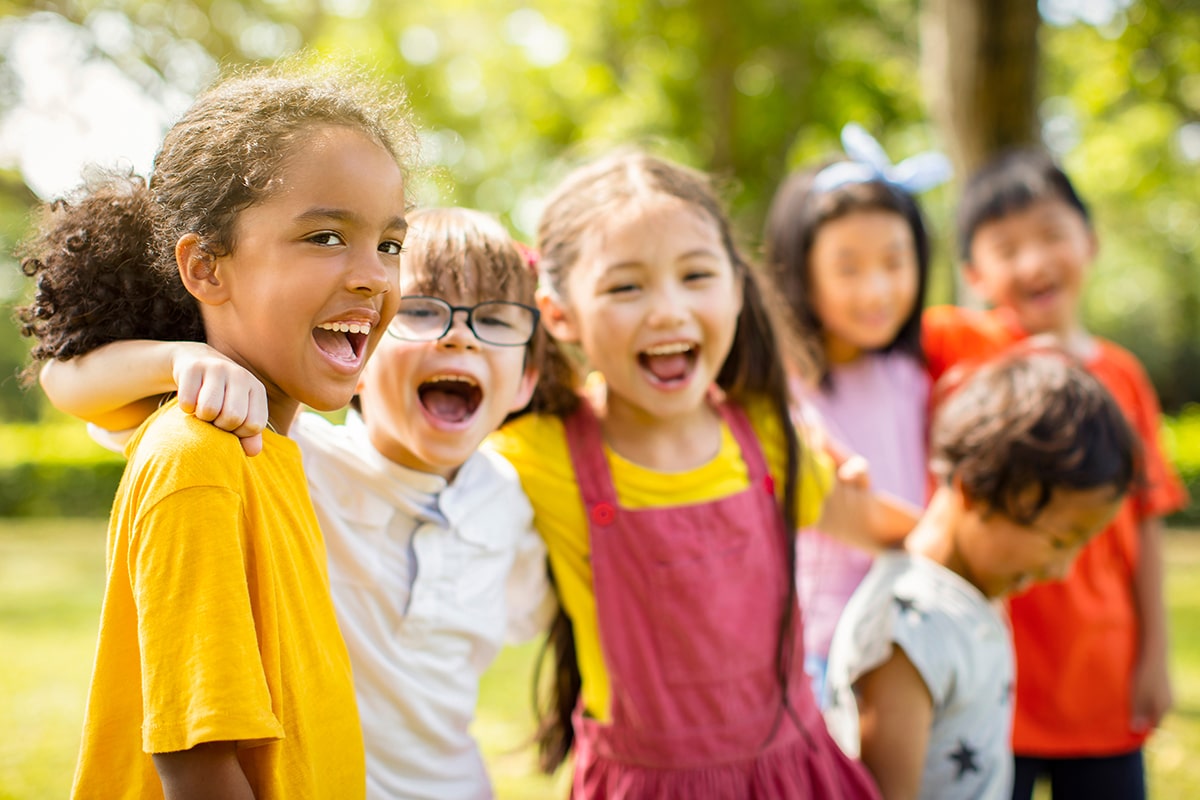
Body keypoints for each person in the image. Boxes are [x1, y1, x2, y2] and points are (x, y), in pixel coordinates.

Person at [38, 207, 562, 800]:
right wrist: (181, 360)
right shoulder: (280, 450)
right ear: (354, 354)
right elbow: (66, 383)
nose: (459, 336)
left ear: (525, 378)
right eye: (418, 313)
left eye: (495, 318)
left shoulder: (514, 497)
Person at [15, 62, 415, 799]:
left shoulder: (269, 449)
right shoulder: (197, 458)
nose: (374, 277)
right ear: (205, 267)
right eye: (326, 236)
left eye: (389, 244)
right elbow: (197, 763)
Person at [486, 150, 917, 798]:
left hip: (793, 777)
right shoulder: (536, 454)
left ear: (737, 288)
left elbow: (883, 527)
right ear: (559, 312)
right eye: (625, 286)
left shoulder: (770, 435)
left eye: (696, 275)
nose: (667, 310)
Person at [922, 148, 1189, 799]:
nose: (1034, 262)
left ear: (1090, 242)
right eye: (1006, 248)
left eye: (1050, 236)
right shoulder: (963, 345)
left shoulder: (1124, 377)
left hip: (1101, 678)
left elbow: (1147, 524)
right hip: (992, 682)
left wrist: (1156, 657)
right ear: (973, 273)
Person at [823, 350, 1136, 800]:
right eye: (1059, 540)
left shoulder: (968, 592)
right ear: (975, 489)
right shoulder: (907, 630)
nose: (1061, 570)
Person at [763, 123, 949, 700]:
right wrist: (963, 556)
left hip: (914, 638)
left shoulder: (911, 375)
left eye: (895, 262)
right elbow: (851, 515)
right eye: (848, 268)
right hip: (824, 654)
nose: (876, 291)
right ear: (801, 270)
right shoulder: (782, 392)